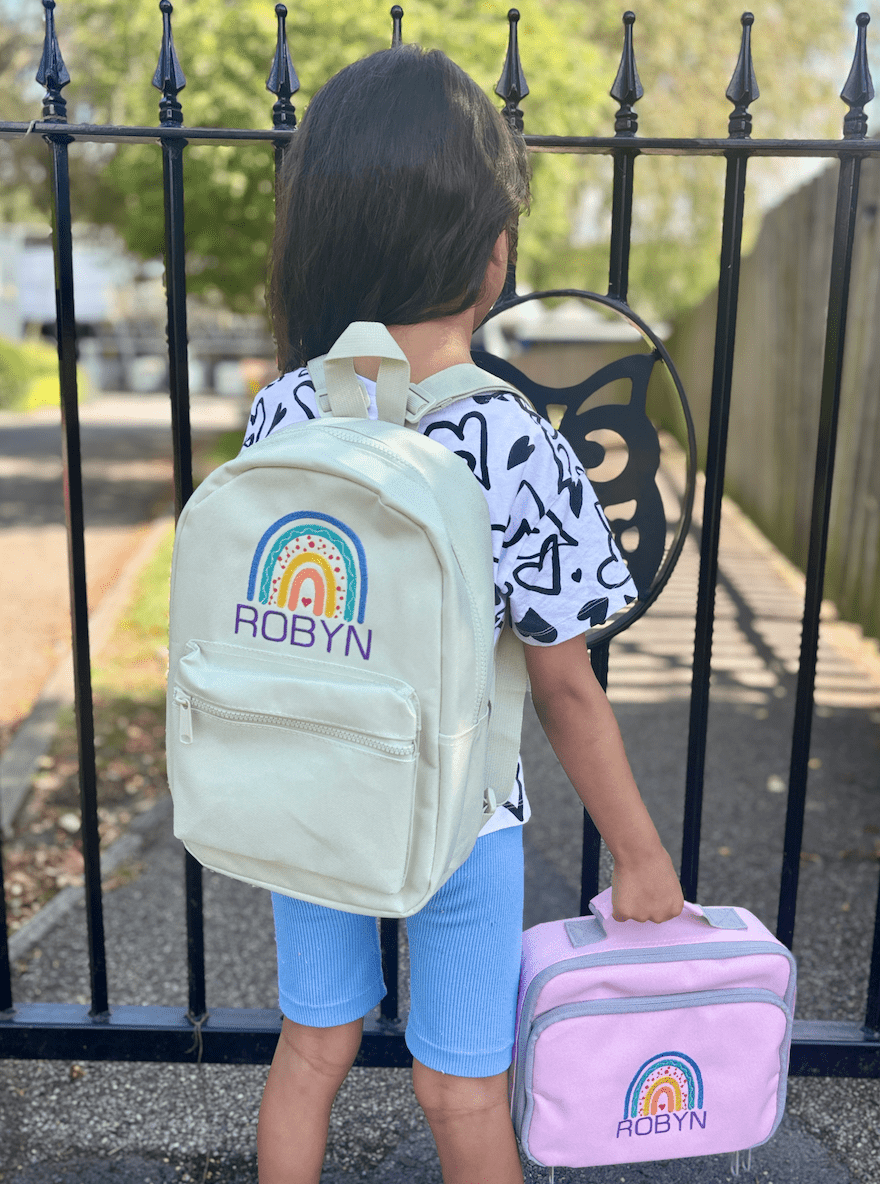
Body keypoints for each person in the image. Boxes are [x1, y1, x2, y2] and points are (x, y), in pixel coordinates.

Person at [246, 44, 685, 1184]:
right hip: (463, 812)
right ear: (492, 252)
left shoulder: (280, 413)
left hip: (311, 794)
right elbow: (565, 684)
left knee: (311, 1048)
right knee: (462, 1088)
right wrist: (640, 857)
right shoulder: (510, 437)